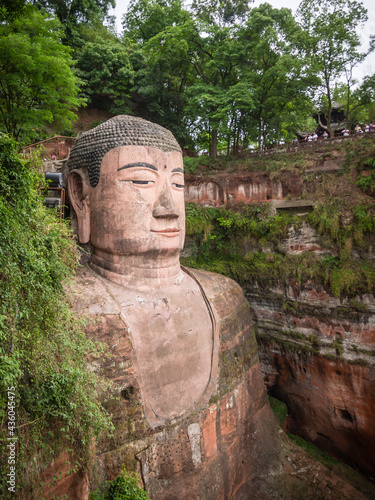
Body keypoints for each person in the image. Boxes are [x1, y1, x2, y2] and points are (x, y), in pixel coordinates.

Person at [66, 115, 283, 499]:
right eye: (142, 182)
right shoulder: (60, 322)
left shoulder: (224, 296)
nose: (168, 207)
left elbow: (259, 442)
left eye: (178, 184)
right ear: (81, 195)